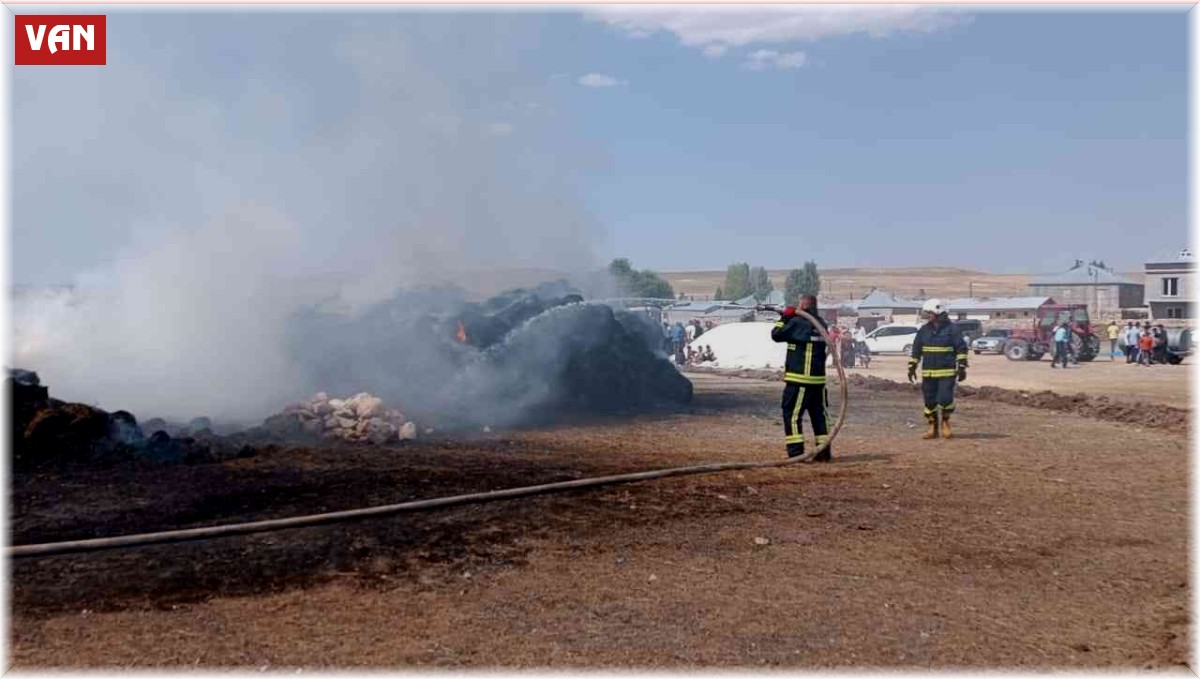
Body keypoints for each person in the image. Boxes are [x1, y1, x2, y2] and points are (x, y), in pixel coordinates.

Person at [770, 295, 831, 462]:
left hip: (800, 380)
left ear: (803, 305)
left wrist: (785, 317)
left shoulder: (798, 322)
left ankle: (796, 453)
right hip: (818, 381)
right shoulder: (821, 323)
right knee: (819, 417)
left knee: (792, 415)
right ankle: (823, 453)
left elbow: (776, 334)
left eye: (799, 304)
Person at [907, 299, 968, 440]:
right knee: (929, 402)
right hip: (928, 373)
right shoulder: (924, 330)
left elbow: (961, 349)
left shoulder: (953, 330)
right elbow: (916, 350)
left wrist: (962, 367)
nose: (927, 316)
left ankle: (945, 422)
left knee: (945, 399)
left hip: (946, 372)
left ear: (938, 312)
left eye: (929, 313)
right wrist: (912, 367)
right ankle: (932, 427)